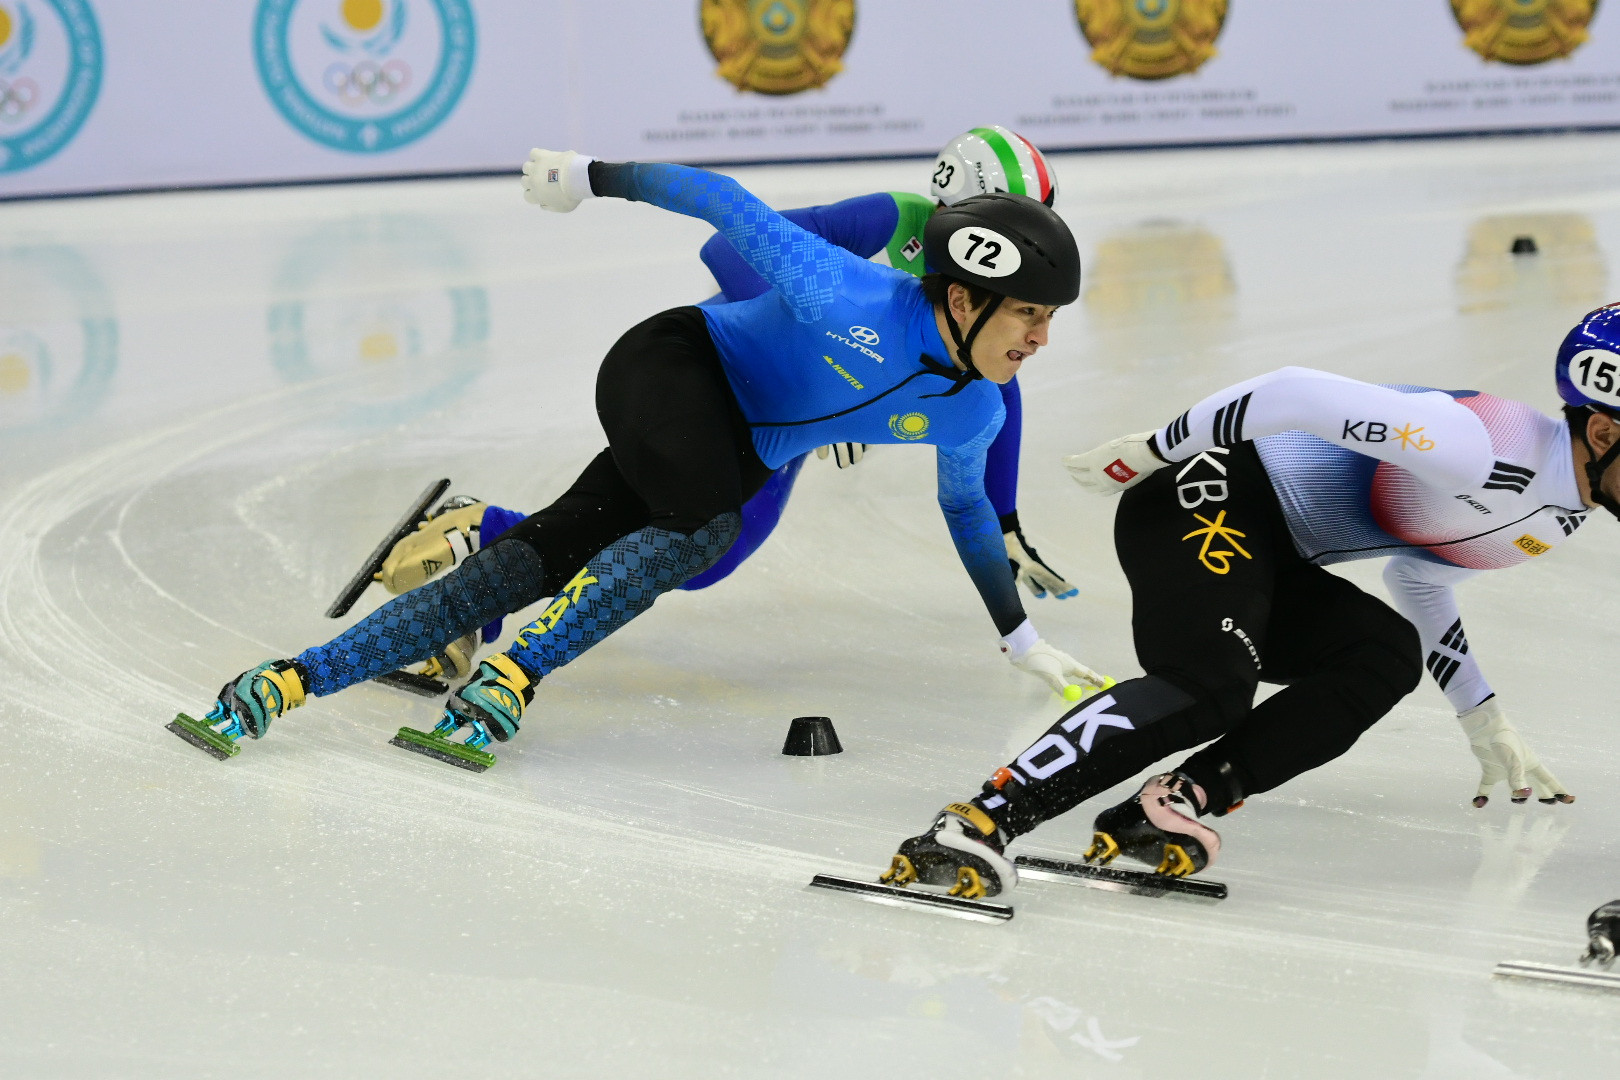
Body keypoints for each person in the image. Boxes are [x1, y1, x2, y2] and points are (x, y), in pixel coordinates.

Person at [175, 148, 1111, 766]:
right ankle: (511, 677)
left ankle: (280, 682)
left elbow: (968, 515)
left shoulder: (975, 415)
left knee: (549, 552)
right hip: (673, 363)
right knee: (703, 528)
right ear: (962, 302)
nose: (1039, 339)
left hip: (742, 443)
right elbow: (724, 207)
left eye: (1049, 320)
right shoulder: (846, 291)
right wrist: (589, 173)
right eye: (1028, 314)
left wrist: (1020, 639)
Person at [882, 310, 1620, 899]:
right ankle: (983, 818)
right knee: (1210, 685)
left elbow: (1419, 582)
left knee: (1384, 653)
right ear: (1604, 430)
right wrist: (1155, 449)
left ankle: (1173, 801)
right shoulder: (1478, 447)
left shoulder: (1555, 517)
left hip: (1272, 545)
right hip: (1202, 485)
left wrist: (1480, 712)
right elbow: (1293, 392)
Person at [377, 127, 1077, 684]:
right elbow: (730, 250)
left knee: (711, 560)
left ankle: (493, 548)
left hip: (811, 410)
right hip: (738, 369)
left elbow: (993, 394)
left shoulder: (995, 295)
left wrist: (1005, 517)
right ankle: (483, 538)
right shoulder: (897, 220)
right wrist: (827, 347)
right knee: (675, 526)